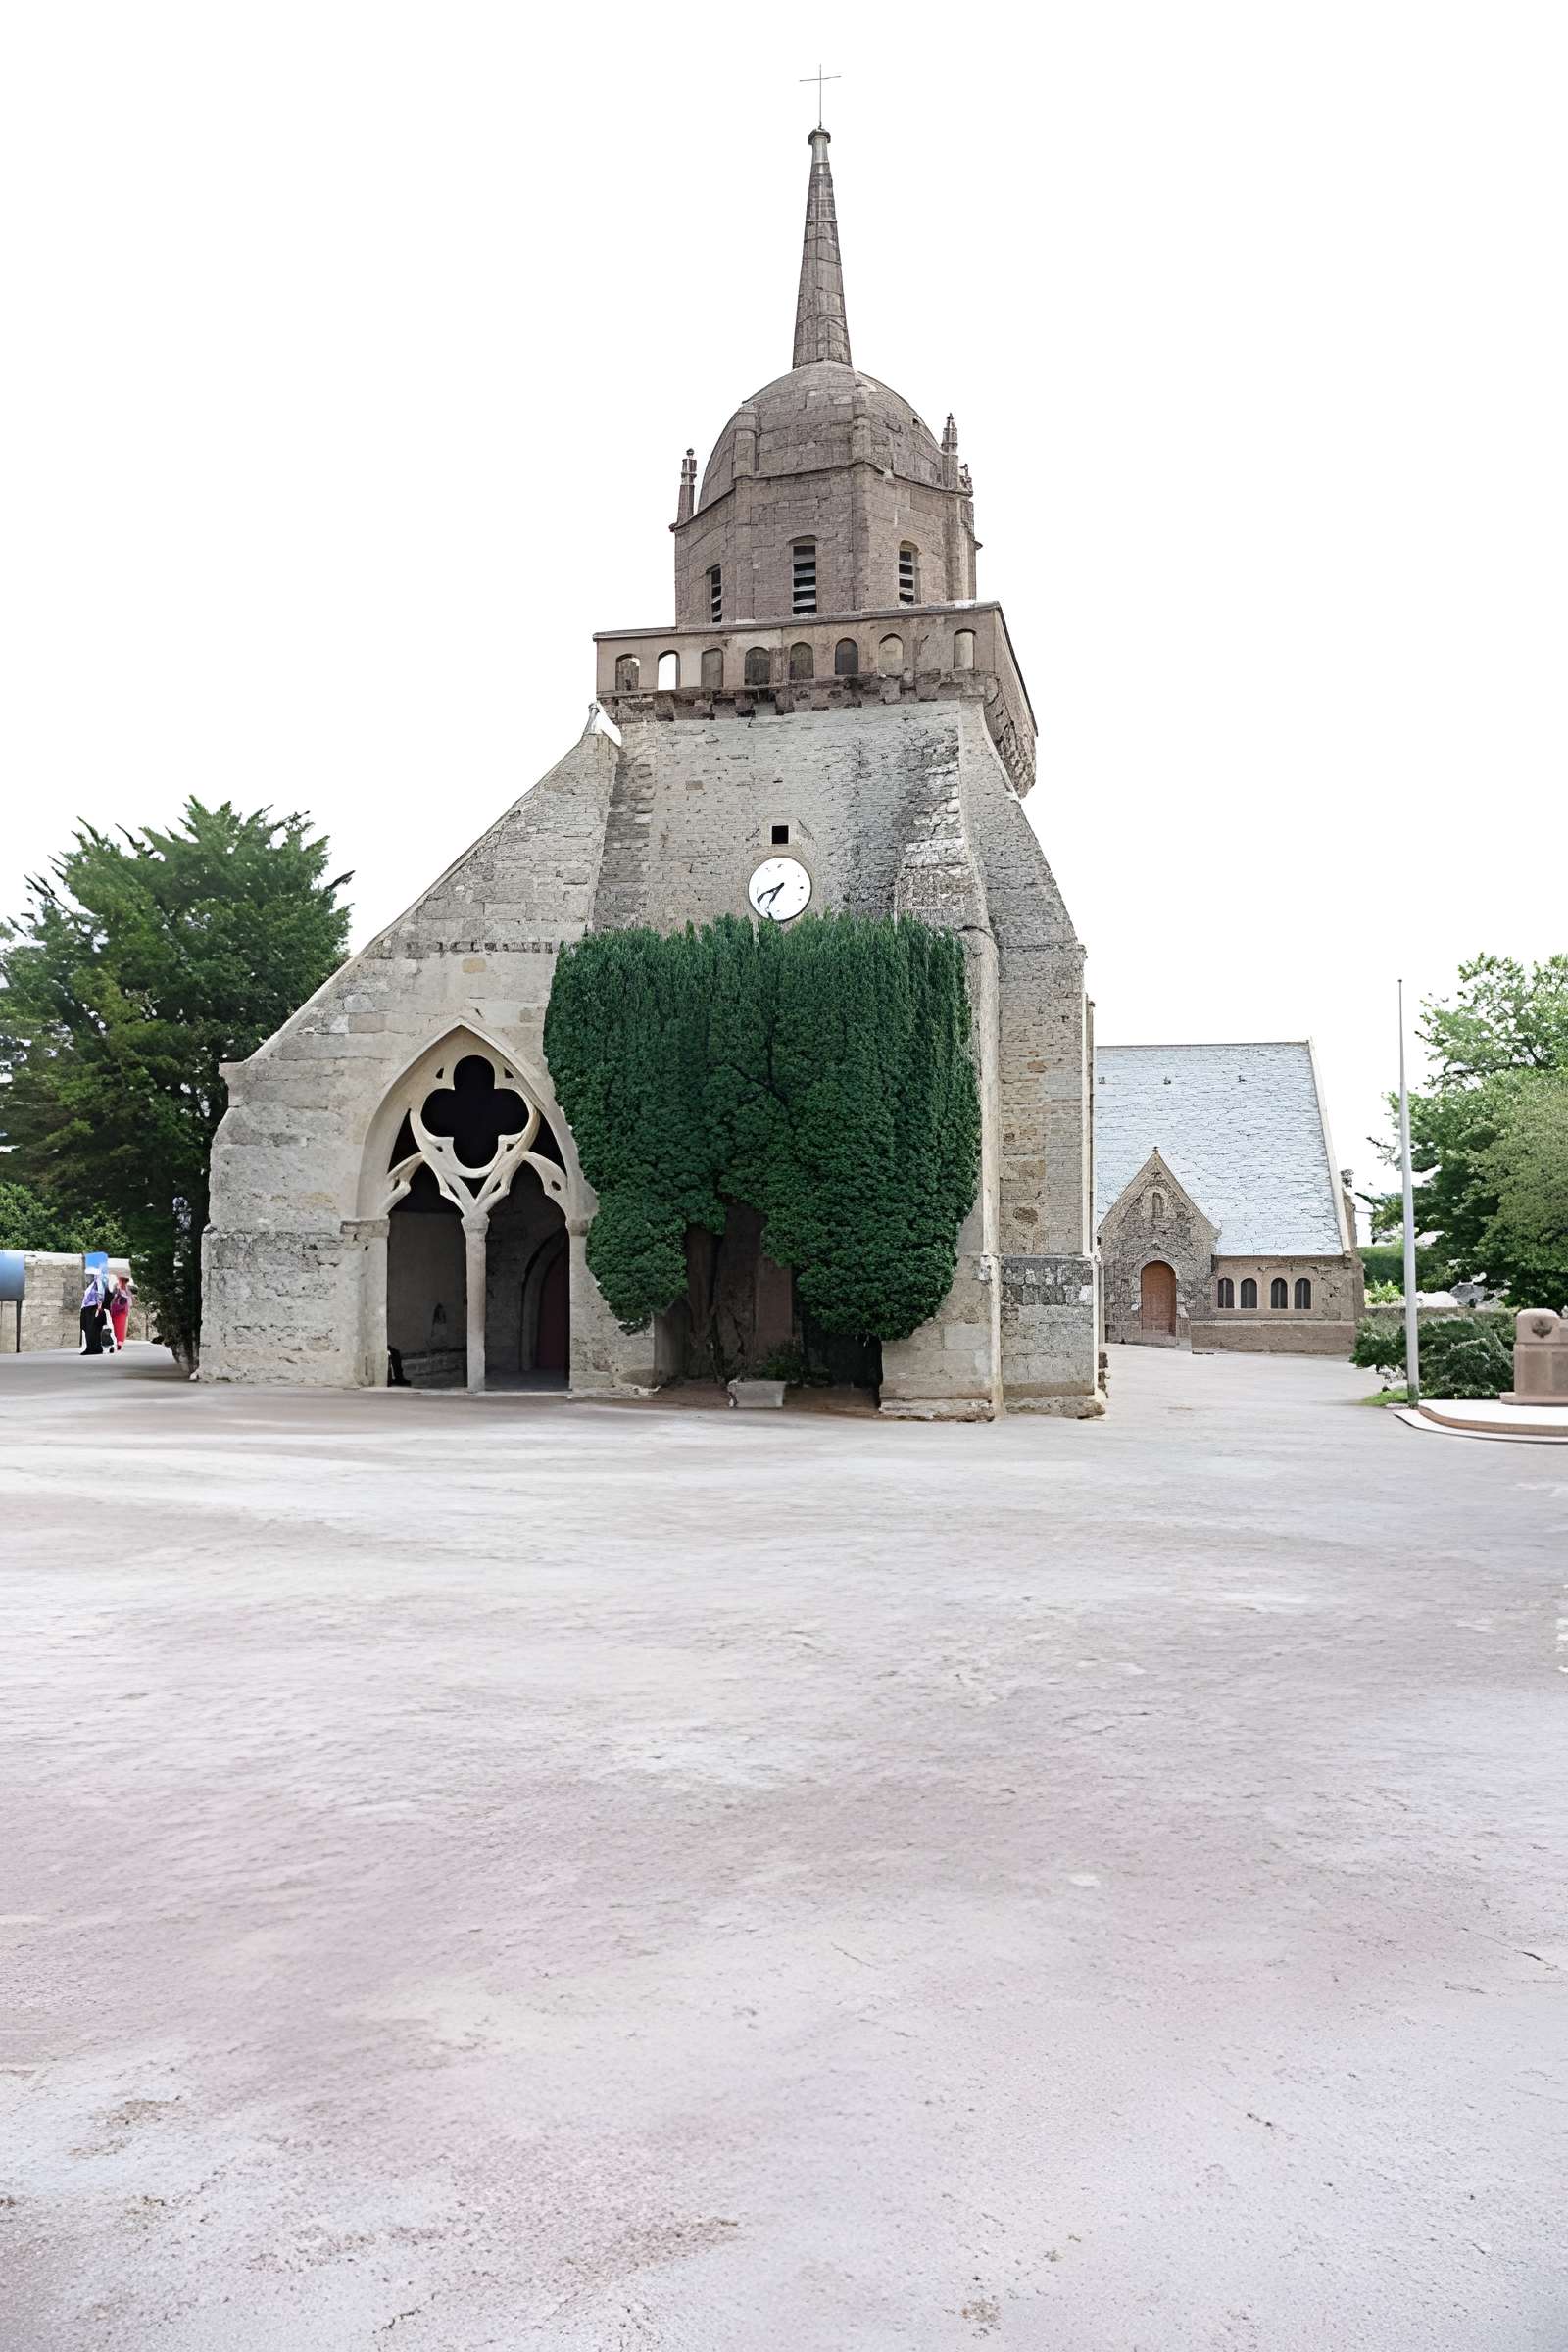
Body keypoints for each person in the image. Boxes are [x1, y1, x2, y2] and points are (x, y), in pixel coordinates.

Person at [79, 1266, 108, 1356]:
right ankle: (90, 1348)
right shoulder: (91, 1284)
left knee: (93, 1329)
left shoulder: (98, 1281)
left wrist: (99, 1306)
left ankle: (95, 1348)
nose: (87, 1277)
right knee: (88, 1329)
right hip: (87, 1308)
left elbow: (100, 1293)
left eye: (89, 1275)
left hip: (94, 1308)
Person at [108, 1272, 133, 1352]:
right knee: (119, 1327)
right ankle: (118, 1342)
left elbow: (128, 1301)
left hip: (119, 1311)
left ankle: (118, 1342)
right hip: (119, 1311)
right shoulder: (123, 1289)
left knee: (118, 1327)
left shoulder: (122, 1289)